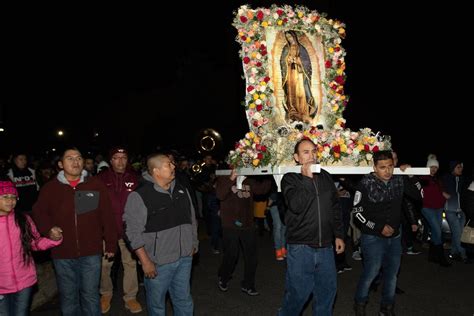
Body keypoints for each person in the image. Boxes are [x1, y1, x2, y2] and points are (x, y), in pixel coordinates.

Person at [33, 146, 118, 316]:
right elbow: (39, 213)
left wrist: (110, 243)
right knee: (69, 297)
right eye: (70, 158)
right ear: (60, 164)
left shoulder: (94, 185)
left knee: (91, 295)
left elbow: (107, 215)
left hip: (91, 252)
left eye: (78, 158)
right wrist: (48, 230)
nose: (75, 161)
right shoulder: (50, 189)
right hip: (63, 253)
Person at [123, 153, 198, 315]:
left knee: (183, 300)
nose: (173, 167)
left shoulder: (181, 189)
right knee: (157, 306)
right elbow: (132, 232)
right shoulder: (140, 195)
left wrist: (193, 244)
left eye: (172, 164)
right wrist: (145, 261)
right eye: (168, 165)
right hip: (158, 263)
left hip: (184, 258)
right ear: (156, 171)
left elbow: (192, 219)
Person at [278, 138, 345, 315]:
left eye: (314, 151)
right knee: (298, 294)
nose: (311, 156)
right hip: (301, 247)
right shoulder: (290, 178)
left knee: (327, 293)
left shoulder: (325, 176)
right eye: (306, 152)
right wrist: (307, 179)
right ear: (297, 157)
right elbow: (296, 205)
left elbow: (335, 207)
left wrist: (338, 234)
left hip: (325, 248)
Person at [353, 150, 422, 316]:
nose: (387, 171)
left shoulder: (399, 180)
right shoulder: (366, 183)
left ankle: (387, 308)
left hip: (395, 237)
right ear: (375, 167)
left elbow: (419, 196)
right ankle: (360, 304)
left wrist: (411, 176)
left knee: (392, 275)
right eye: (382, 167)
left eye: (390, 166)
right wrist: (378, 227)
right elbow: (358, 212)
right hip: (372, 237)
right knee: (371, 272)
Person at [0, 180, 62, 315]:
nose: (10, 201)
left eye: (13, 197)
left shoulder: (23, 219)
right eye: (5, 197)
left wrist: (53, 240)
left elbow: (34, 243)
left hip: (24, 280)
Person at [97, 147, 142, 314]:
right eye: (116, 157)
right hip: (106, 230)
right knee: (104, 265)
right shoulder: (100, 179)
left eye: (123, 157)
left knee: (130, 264)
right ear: (111, 160)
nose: (120, 161)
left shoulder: (135, 179)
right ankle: (105, 294)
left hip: (128, 230)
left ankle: (130, 297)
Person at [216, 169, 271, 296]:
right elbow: (220, 194)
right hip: (230, 224)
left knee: (252, 256)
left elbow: (261, 190)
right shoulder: (224, 177)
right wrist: (231, 178)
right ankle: (224, 277)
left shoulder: (248, 179)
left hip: (247, 224)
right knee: (231, 254)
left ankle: (248, 284)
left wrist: (269, 174)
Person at [419, 154, 451, 266]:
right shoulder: (423, 178)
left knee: (436, 232)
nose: (433, 169)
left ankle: (432, 256)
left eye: (436, 167)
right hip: (427, 208)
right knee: (437, 231)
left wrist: (444, 194)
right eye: (431, 167)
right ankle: (441, 257)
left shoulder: (437, 179)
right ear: (427, 167)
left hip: (439, 208)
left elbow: (440, 191)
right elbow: (419, 190)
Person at [281, 30, 315, 123]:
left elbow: (307, 62)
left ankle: (303, 112)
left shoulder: (301, 48)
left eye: (290, 37)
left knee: (301, 92)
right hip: (290, 75)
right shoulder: (286, 48)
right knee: (292, 92)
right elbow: (282, 61)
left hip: (300, 74)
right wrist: (287, 60)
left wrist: (298, 60)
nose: (289, 39)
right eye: (287, 38)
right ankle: (293, 112)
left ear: (294, 37)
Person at [443, 160, 468, 262]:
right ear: (453, 168)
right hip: (450, 210)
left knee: (457, 233)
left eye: (461, 167)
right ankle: (463, 255)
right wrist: (442, 192)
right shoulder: (446, 178)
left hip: (461, 211)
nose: (461, 169)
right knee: (458, 233)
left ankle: (453, 252)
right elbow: (434, 184)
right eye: (458, 167)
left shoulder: (462, 179)